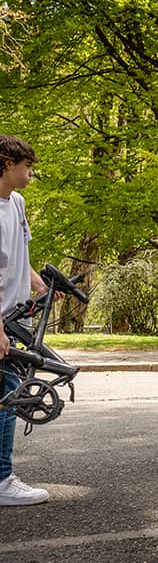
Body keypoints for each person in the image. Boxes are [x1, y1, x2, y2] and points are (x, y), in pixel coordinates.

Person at [0, 135, 51, 506]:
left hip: (16, 318)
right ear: (5, 165)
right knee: (8, 399)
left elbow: (21, 254)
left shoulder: (16, 203)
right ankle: (3, 480)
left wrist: (40, 284)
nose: (30, 173)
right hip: (0, 323)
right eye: (26, 167)